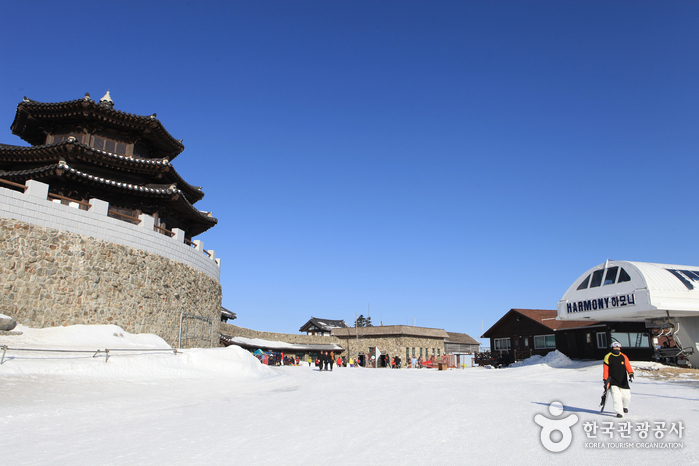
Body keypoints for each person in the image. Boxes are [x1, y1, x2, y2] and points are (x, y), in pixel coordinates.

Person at [603, 341, 634, 418]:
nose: (616, 349)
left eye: (618, 347)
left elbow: (628, 366)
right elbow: (606, 370)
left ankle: (625, 406)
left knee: (626, 397)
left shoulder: (623, 356)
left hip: (623, 380)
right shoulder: (608, 356)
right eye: (615, 347)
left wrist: (631, 374)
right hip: (612, 380)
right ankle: (619, 412)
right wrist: (605, 380)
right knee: (616, 397)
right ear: (612, 348)